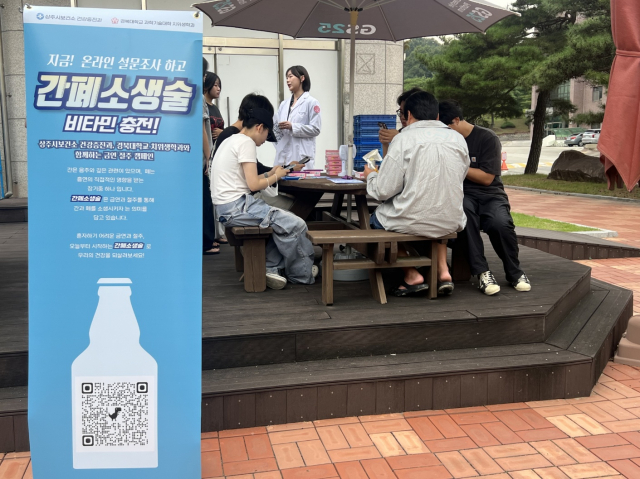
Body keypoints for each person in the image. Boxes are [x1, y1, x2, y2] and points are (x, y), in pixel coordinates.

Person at [364, 91, 469, 297]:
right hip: (451, 219)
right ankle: (442, 271)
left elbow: (383, 191)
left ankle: (411, 274)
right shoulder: (458, 139)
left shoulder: (403, 139)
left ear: (409, 114)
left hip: (412, 219)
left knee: (375, 220)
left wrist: (371, 176)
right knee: (432, 214)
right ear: (437, 116)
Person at [210, 95, 315, 289]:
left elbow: (248, 178)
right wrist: (277, 176)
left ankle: (270, 268)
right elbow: (253, 185)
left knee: (279, 224)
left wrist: (271, 172)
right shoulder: (246, 143)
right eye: (267, 134)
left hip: (227, 208)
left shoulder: (231, 139)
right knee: (296, 224)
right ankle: (301, 273)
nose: (265, 140)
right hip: (238, 207)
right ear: (259, 127)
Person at [438, 100, 531, 295]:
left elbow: (487, 178)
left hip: (491, 195)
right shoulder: (444, 141)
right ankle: (482, 272)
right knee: (464, 216)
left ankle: (515, 272)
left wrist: (457, 165)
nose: (443, 134)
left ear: (456, 120)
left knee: (500, 224)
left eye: (445, 128)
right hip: (462, 194)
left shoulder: (487, 138)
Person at [213, 93, 304, 210]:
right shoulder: (239, 138)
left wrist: (278, 171)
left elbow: (253, 171)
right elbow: (254, 180)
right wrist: (282, 172)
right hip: (237, 202)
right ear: (260, 123)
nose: (266, 139)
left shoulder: (233, 136)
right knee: (297, 207)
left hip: (229, 203)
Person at [274, 66, 321, 170]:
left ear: (302, 78)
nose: (288, 80)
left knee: (300, 179)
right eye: (286, 77)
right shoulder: (284, 104)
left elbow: (316, 129)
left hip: (301, 155)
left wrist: (293, 127)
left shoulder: (311, 102)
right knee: (282, 177)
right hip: (283, 155)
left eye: (290, 76)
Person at [203, 71, 227, 246]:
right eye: (215, 85)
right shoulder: (202, 105)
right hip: (208, 154)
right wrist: (208, 157)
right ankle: (210, 236)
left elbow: (220, 131)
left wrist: (222, 133)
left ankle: (218, 233)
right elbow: (204, 132)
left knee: (217, 194)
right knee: (208, 198)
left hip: (218, 153)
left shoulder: (215, 107)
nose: (218, 88)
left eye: (220, 85)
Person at [202, 60, 218, 255]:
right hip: (201, 158)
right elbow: (203, 131)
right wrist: (208, 157)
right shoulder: (198, 96)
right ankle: (206, 242)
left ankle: (207, 239)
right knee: (205, 201)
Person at [379, 87, 424, 157]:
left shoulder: (427, 136)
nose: (402, 117)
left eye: (406, 113)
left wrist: (400, 138)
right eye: (401, 112)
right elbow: (389, 161)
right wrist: (385, 143)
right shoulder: (400, 132)